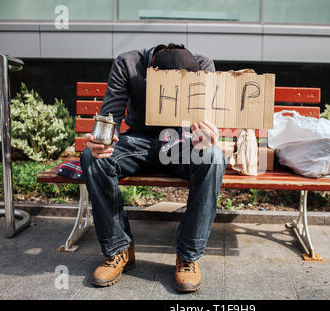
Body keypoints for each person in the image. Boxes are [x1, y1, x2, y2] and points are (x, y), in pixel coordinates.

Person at [80, 43, 226, 292]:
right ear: (151, 73)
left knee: (213, 156)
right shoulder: (127, 63)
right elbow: (110, 116)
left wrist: (210, 134)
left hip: (183, 142)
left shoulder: (203, 65)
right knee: (93, 157)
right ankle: (119, 249)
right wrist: (100, 140)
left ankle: (188, 257)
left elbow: (212, 121)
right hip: (140, 141)